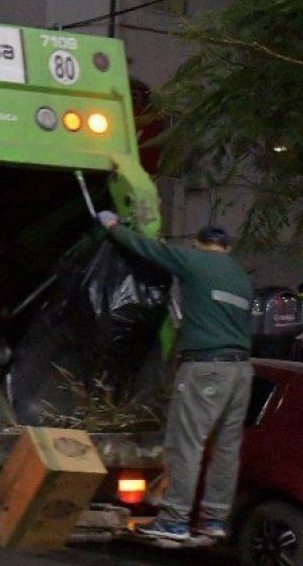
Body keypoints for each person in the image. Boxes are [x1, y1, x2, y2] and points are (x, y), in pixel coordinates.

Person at [97, 211, 254, 542]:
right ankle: (213, 519)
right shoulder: (242, 276)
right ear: (226, 248)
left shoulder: (194, 261)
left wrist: (113, 227)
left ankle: (174, 520)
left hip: (206, 368)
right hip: (241, 372)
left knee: (186, 445)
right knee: (227, 449)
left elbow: (147, 250)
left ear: (198, 244)